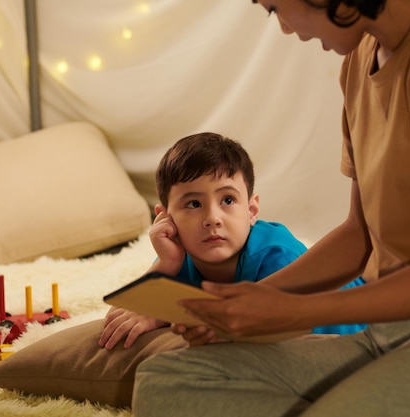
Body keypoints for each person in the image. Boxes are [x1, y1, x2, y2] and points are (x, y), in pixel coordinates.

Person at [131, 1, 410, 416]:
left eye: (275, 8)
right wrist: (245, 303)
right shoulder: (359, 58)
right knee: (169, 382)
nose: (283, 27)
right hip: (389, 335)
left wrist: (294, 311)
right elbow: (360, 235)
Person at [99, 132, 365, 350]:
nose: (212, 218)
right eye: (193, 203)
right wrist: (166, 264)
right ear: (165, 218)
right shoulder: (179, 253)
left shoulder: (276, 253)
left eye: (227, 200)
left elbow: (265, 324)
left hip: (363, 322)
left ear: (251, 210)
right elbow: (135, 306)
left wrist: (163, 312)